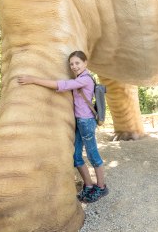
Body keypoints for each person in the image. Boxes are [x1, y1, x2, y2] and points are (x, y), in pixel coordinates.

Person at [17, 50, 108, 203]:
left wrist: (33, 79)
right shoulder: (79, 77)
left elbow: (62, 85)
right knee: (76, 156)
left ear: (85, 63)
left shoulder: (85, 79)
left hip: (86, 122)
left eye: (77, 63)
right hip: (79, 121)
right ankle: (88, 185)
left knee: (93, 156)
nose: (74, 66)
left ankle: (101, 187)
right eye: (71, 64)